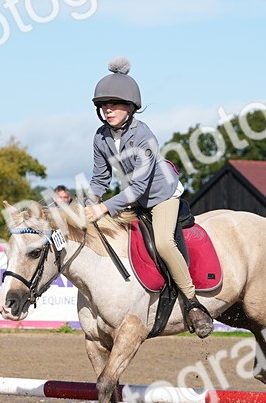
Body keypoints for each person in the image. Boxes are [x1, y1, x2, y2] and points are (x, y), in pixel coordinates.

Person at [83, 57, 213, 338]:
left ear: (130, 107)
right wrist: (89, 203)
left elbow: (141, 186)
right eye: (104, 106)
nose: (108, 110)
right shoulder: (101, 137)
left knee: (165, 243)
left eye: (114, 105)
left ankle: (192, 302)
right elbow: (100, 178)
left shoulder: (145, 136)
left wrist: (104, 207)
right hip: (133, 197)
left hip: (161, 195)